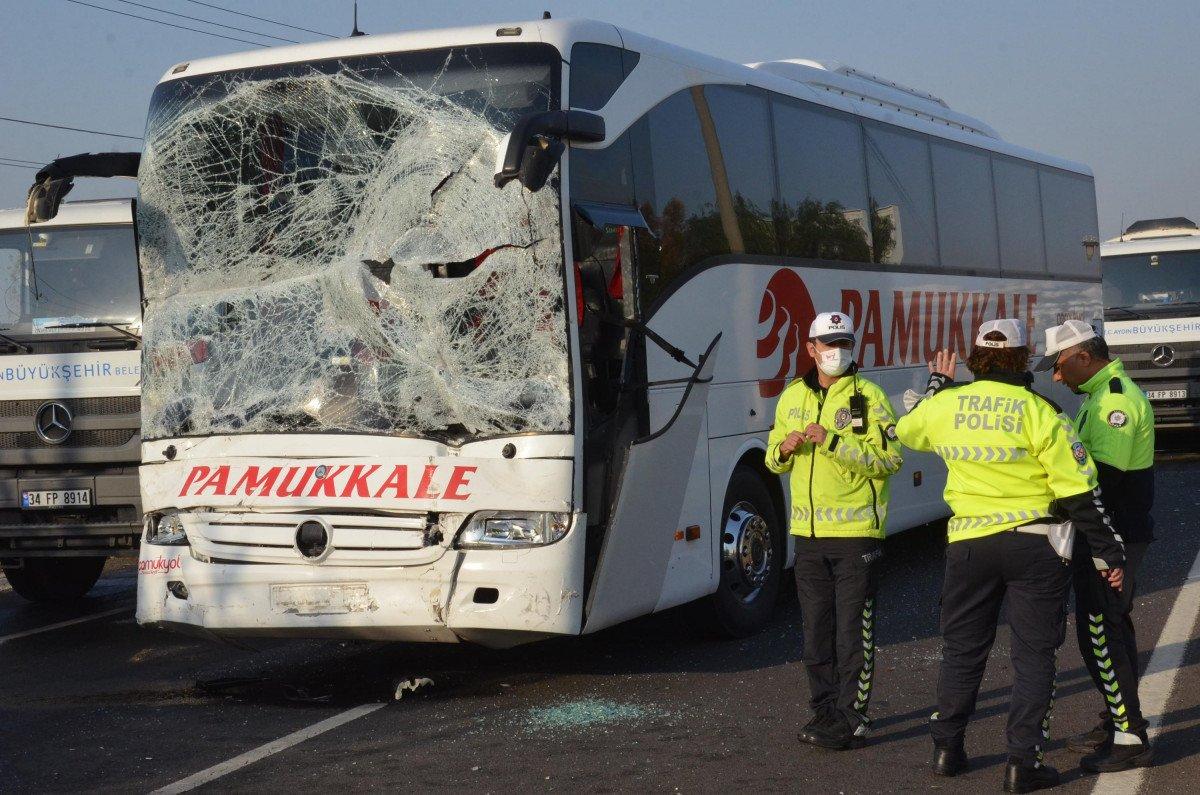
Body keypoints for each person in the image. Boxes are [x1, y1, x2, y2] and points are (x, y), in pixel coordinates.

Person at [891, 319, 1125, 793]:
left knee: (962, 650)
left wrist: (937, 385)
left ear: (975, 358)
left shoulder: (947, 405)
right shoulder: (1042, 411)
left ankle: (947, 749)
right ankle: (1023, 763)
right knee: (1034, 656)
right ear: (1023, 358)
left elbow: (907, 432)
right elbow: (1079, 490)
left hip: (968, 546)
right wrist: (1108, 551)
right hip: (1034, 546)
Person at [765, 311, 903, 750]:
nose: (836, 352)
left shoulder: (870, 396)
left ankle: (853, 717)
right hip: (807, 535)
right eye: (828, 345)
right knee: (815, 631)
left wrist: (833, 441)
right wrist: (783, 450)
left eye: (843, 344)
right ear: (811, 349)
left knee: (852, 633)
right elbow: (772, 457)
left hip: (857, 533)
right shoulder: (791, 398)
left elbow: (889, 459)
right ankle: (824, 711)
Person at [1035, 319, 1155, 771]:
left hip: (1111, 535)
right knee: (1109, 632)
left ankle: (1131, 738)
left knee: (1102, 635)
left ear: (1084, 356)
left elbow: (1101, 482)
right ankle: (1118, 719)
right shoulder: (1100, 396)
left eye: (1061, 366)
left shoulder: (1112, 404)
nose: (1057, 376)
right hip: (1109, 533)